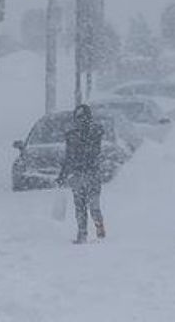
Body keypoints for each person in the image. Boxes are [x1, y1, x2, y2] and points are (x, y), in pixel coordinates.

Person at [56, 104, 106, 244]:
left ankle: (99, 228)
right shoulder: (72, 135)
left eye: (83, 117)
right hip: (78, 175)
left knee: (93, 206)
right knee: (80, 206)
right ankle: (82, 234)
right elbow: (68, 157)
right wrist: (63, 174)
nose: (80, 120)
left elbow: (93, 151)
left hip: (91, 174)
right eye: (78, 118)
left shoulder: (94, 132)